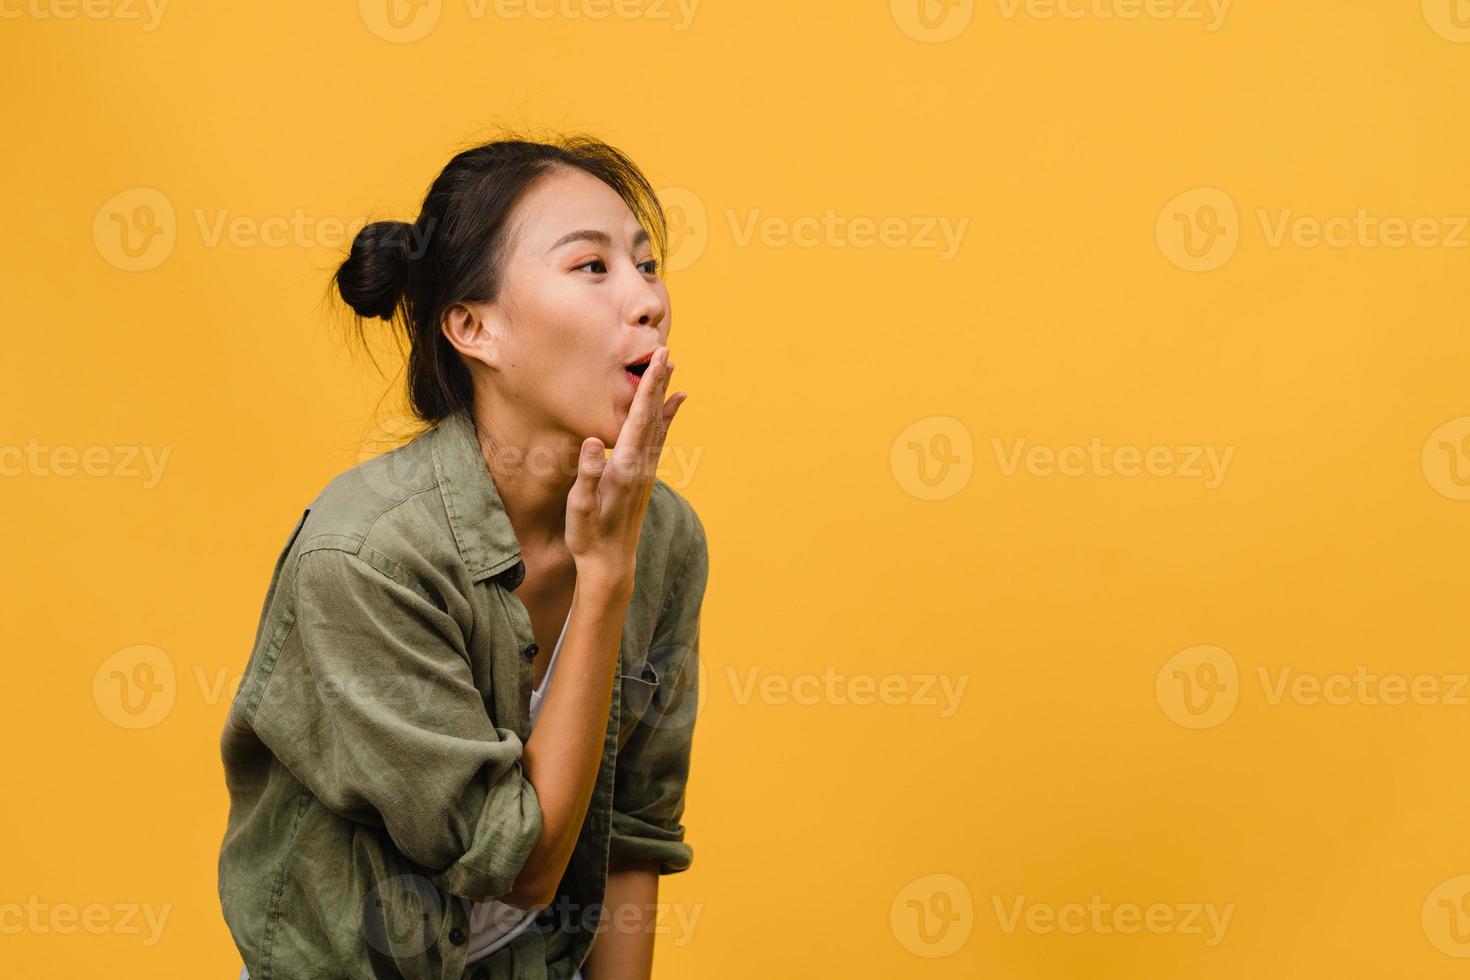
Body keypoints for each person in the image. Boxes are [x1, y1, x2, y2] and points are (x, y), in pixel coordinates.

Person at [217, 134, 707, 980]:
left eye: (647, 263)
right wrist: (603, 582)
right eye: (592, 267)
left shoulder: (661, 535)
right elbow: (516, 870)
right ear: (473, 328)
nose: (648, 301)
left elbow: (636, 829)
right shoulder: (366, 557)